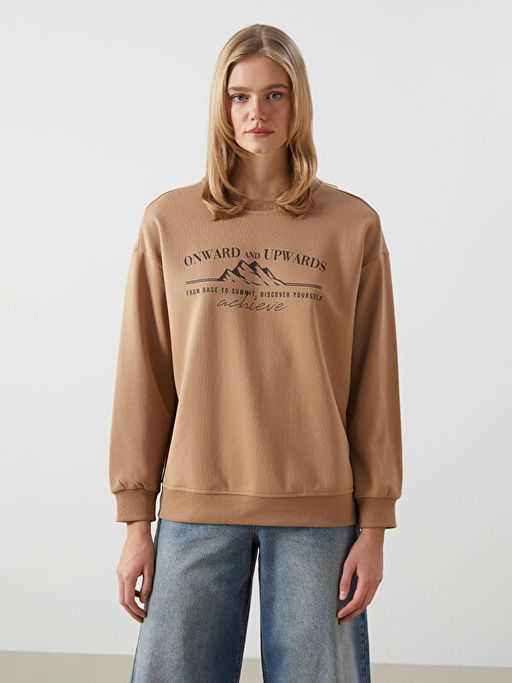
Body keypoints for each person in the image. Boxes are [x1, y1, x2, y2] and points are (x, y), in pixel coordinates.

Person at [109, 23, 403, 683]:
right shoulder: (170, 221)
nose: (256, 113)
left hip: (319, 510)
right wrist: (135, 521)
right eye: (239, 96)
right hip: (194, 506)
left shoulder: (351, 225)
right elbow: (143, 377)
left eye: (275, 94)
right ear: (221, 104)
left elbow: (374, 381)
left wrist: (375, 526)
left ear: (299, 103)